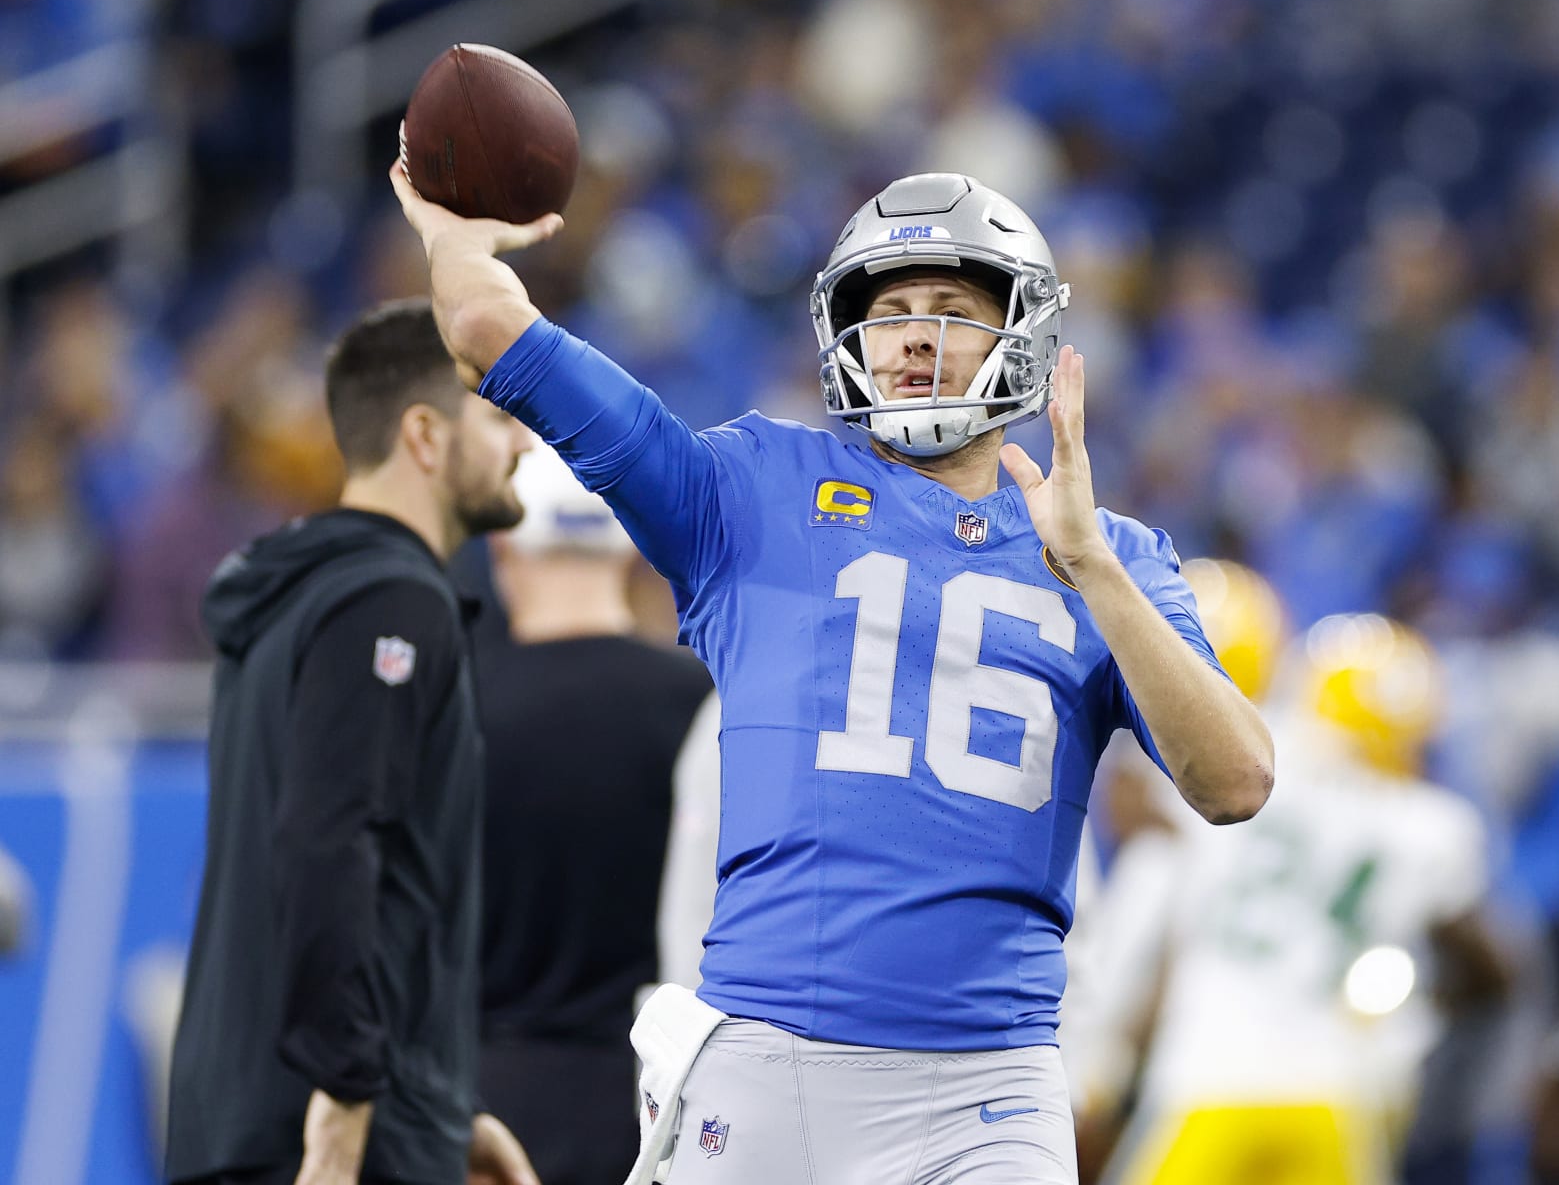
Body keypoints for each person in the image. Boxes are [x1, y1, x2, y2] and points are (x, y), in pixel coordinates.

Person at [391, 163, 1274, 1184]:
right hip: (770, 1065)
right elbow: (491, 334)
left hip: (990, 1085)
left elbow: (1237, 782)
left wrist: (1094, 573)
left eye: (951, 308)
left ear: (1021, 334)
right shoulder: (752, 490)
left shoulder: (1115, 554)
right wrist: (457, 239)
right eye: (889, 309)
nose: (912, 335)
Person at [165, 299, 539, 1185]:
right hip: (325, 1142)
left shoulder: (301, 596)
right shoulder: (387, 603)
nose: (525, 444)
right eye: (496, 416)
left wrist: (440, 1113)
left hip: (265, 1123)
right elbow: (329, 844)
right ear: (424, 435)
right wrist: (351, 1106)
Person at [1068, 576, 1509, 1185]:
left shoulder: (1253, 761)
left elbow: (1137, 807)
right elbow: (1494, 970)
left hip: (1212, 1077)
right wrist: (1423, 1008)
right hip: (1338, 1092)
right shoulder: (1429, 824)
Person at [474, 438, 713, 1185]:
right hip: (650, 1106)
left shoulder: (452, 708)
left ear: (505, 552)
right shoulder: (702, 705)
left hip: (482, 1107)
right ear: (624, 554)